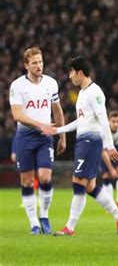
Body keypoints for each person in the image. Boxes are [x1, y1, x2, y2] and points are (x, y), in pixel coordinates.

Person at [41, 56, 118, 236]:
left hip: (90, 141)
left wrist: (110, 145)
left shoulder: (95, 92)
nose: (70, 76)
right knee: (89, 186)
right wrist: (58, 131)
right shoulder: (83, 93)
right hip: (84, 140)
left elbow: (103, 118)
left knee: (77, 183)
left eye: (71, 72)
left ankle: (70, 228)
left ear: (79, 72)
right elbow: (80, 121)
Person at [9, 47, 67, 235]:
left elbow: (57, 110)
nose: (38, 66)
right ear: (26, 65)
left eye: (40, 62)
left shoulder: (50, 83)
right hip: (25, 136)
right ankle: (34, 223)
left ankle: (44, 215)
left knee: (45, 177)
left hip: (45, 137)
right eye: (34, 63)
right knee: (26, 181)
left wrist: (62, 134)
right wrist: (40, 125)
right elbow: (17, 114)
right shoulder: (18, 86)